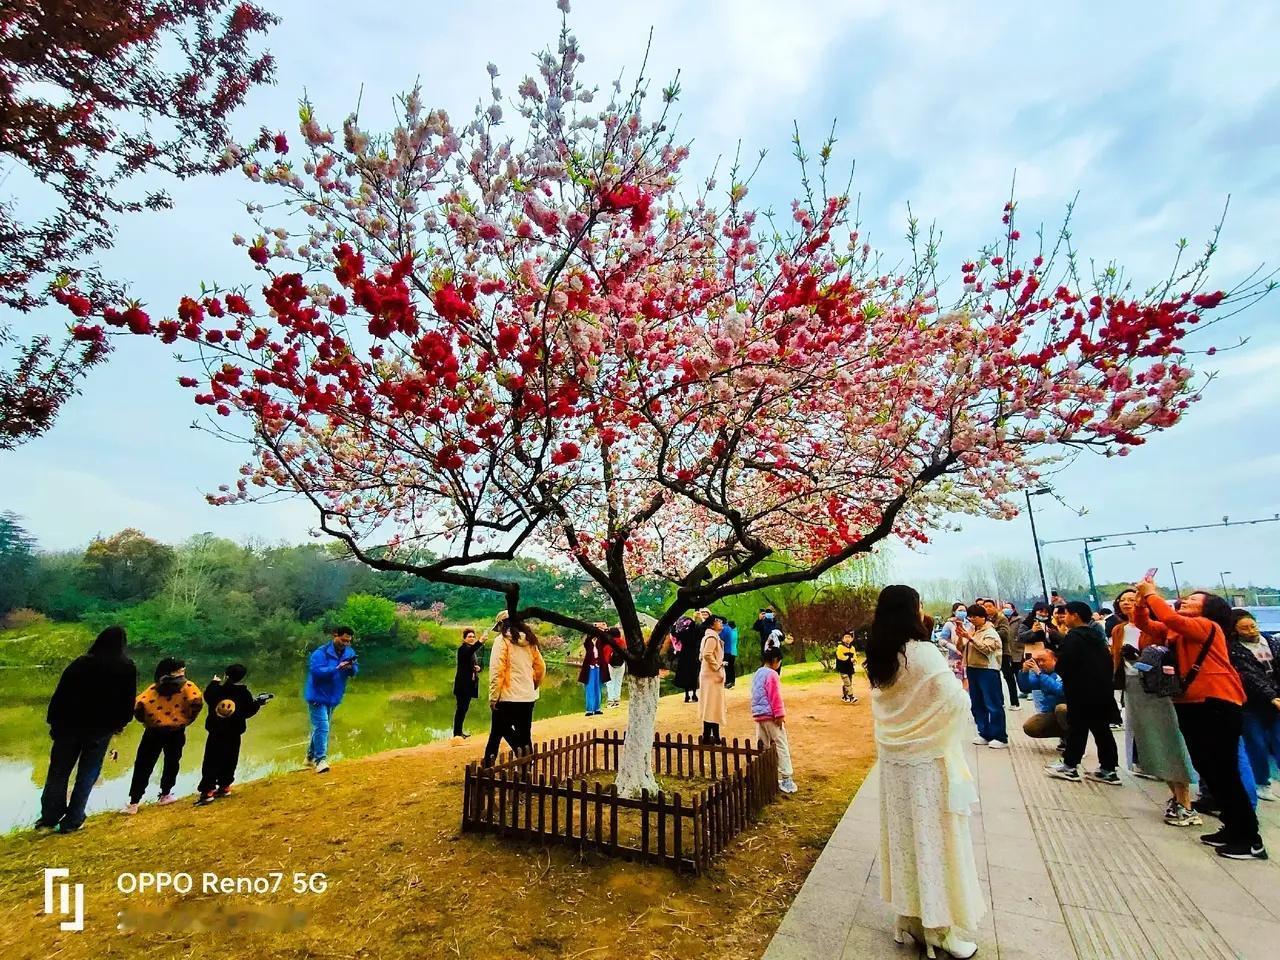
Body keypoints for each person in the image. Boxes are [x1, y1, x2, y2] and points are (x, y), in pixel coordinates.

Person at [869, 585, 982, 959]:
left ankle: (911, 916)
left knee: (905, 838)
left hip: (896, 763)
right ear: (910, 611)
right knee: (935, 840)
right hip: (927, 765)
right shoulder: (922, 653)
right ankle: (939, 928)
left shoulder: (880, 654)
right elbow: (953, 701)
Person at [1134, 581, 1265, 860]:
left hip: (1216, 702)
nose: (1186, 601)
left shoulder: (1207, 627)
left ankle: (1249, 838)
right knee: (1208, 767)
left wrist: (1152, 594)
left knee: (1224, 771)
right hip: (1191, 703)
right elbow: (1145, 624)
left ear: (1209, 609)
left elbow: (1168, 617)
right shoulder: (1178, 631)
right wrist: (1141, 602)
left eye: (1194, 600)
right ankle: (1232, 827)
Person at [1110, 588, 1198, 824]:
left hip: (1157, 688)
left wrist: (1139, 659)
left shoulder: (1158, 628)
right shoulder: (1118, 630)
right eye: (1123, 601)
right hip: (1132, 689)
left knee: (1169, 741)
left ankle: (1185, 802)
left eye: (1132, 600)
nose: (1127, 604)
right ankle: (1175, 797)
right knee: (1151, 743)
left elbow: (1164, 657)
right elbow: (1116, 660)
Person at [38, 626, 138, 833]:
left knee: (58, 772)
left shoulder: (81, 663)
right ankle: (73, 820)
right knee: (88, 773)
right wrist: (120, 723)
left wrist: (53, 723)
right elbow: (127, 702)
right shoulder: (126, 667)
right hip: (100, 729)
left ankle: (49, 818)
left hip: (68, 727)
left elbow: (61, 695)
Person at [1044, 602, 1120, 785]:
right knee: (1102, 730)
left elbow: (1064, 665)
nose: (1064, 618)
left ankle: (1070, 766)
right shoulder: (1096, 636)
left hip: (1081, 691)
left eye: (1066, 614)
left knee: (1077, 728)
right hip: (1101, 691)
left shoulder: (1074, 637)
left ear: (1075, 616)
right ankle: (1108, 769)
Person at [124, 657, 204, 813]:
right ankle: (165, 794)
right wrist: (187, 719)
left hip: (153, 731)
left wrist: (147, 721)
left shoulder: (154, 688)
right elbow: (197, 702)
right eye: (181, 669)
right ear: (176, 671)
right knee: (172, 762)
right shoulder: (188, 687)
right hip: (176, 731)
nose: (183, 671)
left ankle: (134, 801)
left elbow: (138, 705)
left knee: (144, 764)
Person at [196, 664, 270, 804]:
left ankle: (208, 791)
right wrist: (258, 703)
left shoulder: (217, 690)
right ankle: (225, 786)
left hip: (216, 732)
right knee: (230, 759)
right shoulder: (244, 693)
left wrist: (214, 682)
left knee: (211, 760)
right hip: (234, 732)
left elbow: (208, 696)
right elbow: (249, 711)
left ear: (226, 675)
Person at [1228, 609, 1280, 803]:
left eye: (1253, 626)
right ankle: (1262, 782)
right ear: (1235, 631)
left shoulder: (1271, 642)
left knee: (1278, 739)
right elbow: (1249, 676)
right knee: (1256, 742)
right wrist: (1270, 696)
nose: (1251, 631)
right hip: (1252, 703)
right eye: (1244, 628)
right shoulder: (1234, 649)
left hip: (1275, 701)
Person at [483, 614, 546, 766]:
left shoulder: (502, 641)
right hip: (527, 697)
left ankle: (487, 768)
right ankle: (527, 767)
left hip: (507, 697)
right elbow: (540, 668)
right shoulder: (530, 640)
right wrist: (533, 685)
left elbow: (497, 671)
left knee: (497, 733)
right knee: (524, 733)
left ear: (501, 625)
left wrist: (493, 697)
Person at [304, 625, 358, 774]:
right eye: (343, 640)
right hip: (317, 695)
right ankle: (320, 760)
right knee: (323, 727)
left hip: (333, 696)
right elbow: (316, 672)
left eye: (348, 641)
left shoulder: (349, 652)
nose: (346, 644)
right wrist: (336, 668)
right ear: (335, 635)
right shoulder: (320, 653)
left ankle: (309, 756)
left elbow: (354, 672)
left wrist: (351, 667)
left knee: (321, 727)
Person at [957, 603, 1007, 748]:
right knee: (977, 703)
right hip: (972, 668)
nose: (972, 619)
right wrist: (962, 637)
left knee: (992, 703)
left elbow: (987, 649)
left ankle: (1000, 736)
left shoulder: (990, 632)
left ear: (982, 617)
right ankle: (984, 732)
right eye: (970, 616)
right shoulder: (972, 630)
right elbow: (961, 648)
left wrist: (970, 638)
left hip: (988, 670)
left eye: (975, 617)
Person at [751, 646, 797, 795]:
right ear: (775, 661)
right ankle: (786, 777)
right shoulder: (772, 675)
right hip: (771, 716)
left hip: (759, 716)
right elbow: (775, 696)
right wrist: (780, 714)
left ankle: (765, 775)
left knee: (763, 746)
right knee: (781, 744)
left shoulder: (758, 673)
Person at [1017, 649, 1069, 741]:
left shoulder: (1064, 671)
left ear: (1055, 660)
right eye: (1038, 661)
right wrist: (1024, 672)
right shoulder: (1041, 674)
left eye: (1043, 660)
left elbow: (1061, 691)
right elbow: (1025, 688)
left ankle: (1075, 741)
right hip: (1052, 713)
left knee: (1061, 709)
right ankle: (1064, 736)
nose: (1040, 664)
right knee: (1030, 726)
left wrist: (1040, 674)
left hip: (1073, 713)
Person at [699, 614, 727, 743]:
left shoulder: (712, 636)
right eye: (718, 621)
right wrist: (717, 666)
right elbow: (706, 654)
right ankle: (709, 735)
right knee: (711, 706)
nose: (720, 623)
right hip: (711, 676)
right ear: (712, 624)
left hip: (711, 676)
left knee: (713, 706)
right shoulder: (711, 637)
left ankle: (714, 735)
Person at [453, 627, 485, 738]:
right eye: (469, 637)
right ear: (464, 638)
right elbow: (468, 653)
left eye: (473, 636)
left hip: (469, 685)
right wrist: (479, 642)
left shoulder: (471, 651)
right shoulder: (463, 649)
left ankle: (459, 732)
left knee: (464, 709)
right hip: (462, 685)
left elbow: (477, 665)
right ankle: (457, 733)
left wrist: (478, 668)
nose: (471, 638)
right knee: (461, 709)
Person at [990, 599, 1022, 711]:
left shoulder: (1001, 619)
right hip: (991, 652)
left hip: (1004, 652)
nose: (987, 609)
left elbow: (1004, 633)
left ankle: (1015, 702)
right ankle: (1000, 701)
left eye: (990, 606)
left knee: (1009, 676)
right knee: (995, 678)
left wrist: (990, 633)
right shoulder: (986, 620)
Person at [674, 610, 706, 703]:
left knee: (685, 674)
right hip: (694, 653)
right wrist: (700, 618)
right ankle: (694, 694)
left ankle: (687, 695)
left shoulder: (681, 631)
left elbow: (675, 633)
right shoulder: (696, 629)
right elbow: (704, 629)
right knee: (693, 673)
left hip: (684, 654)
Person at [579, 629, 611, 717]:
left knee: (598, 688)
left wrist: (603, 632)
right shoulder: (588, 642)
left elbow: (607, 639)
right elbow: (586, 643)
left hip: (598, 667)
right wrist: (591, 638)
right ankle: (589, 709)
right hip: (590, 668)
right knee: (589, 688)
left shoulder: (600, 641)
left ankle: (597, 708)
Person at [939, 602, 968, 683]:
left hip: (968, 659)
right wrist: (955, 649)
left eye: (964, 610)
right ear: (954, 612)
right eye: (960, 610)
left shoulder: (970, 624)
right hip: (955, 659)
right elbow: (941, 640)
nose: (963, 612)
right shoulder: (949, 624)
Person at [603, 626, 628, 707]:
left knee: (610, 682)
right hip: (621, 664)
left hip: (611, 664)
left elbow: (606, 655)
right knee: (618, 682)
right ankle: (617, 700)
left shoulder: (610, 642)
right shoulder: (623, 642)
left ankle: (611, 701)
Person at [835, 631, 859, 703]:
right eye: (846, 637)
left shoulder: (852, 648)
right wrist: (849, 659)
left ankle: (845, 696)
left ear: (852, 639)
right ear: (842, 639)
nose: (847, 639)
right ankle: (851, 697)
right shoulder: (840, 647)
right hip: (842, 668)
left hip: (850, 668)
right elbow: (840, 656)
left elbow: (855, 656)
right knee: (847, 682)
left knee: (849, 683)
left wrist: (855, 660)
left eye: (849, 637)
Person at [721, 619, 739, 689]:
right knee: (731, 667)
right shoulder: (735, 631)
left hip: (729, 652)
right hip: (734, 652)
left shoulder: (730, 632)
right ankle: (732, 681)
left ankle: (728, 682)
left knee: (727, 668)